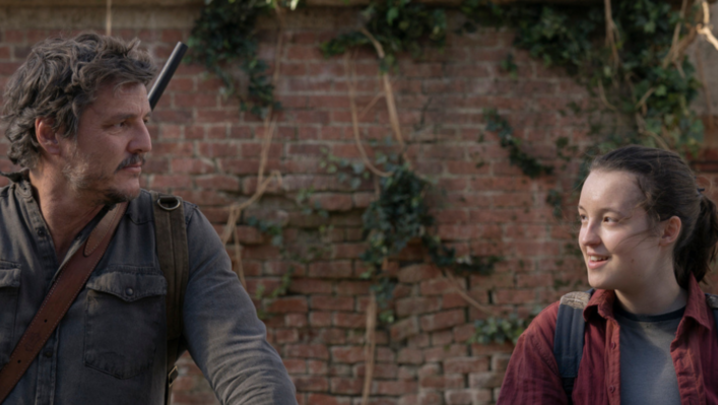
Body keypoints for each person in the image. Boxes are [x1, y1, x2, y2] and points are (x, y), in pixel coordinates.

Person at [0, 33, 296, 404]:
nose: (145, 142)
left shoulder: (176, 235)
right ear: (51, 135)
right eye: (120, 124)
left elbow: (248, 367)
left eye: (144, 120)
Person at [498, 145, 718, 404]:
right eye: (583, 217)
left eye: (609, 220)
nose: (586, 238)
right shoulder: (553, 334)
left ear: (668, 231)